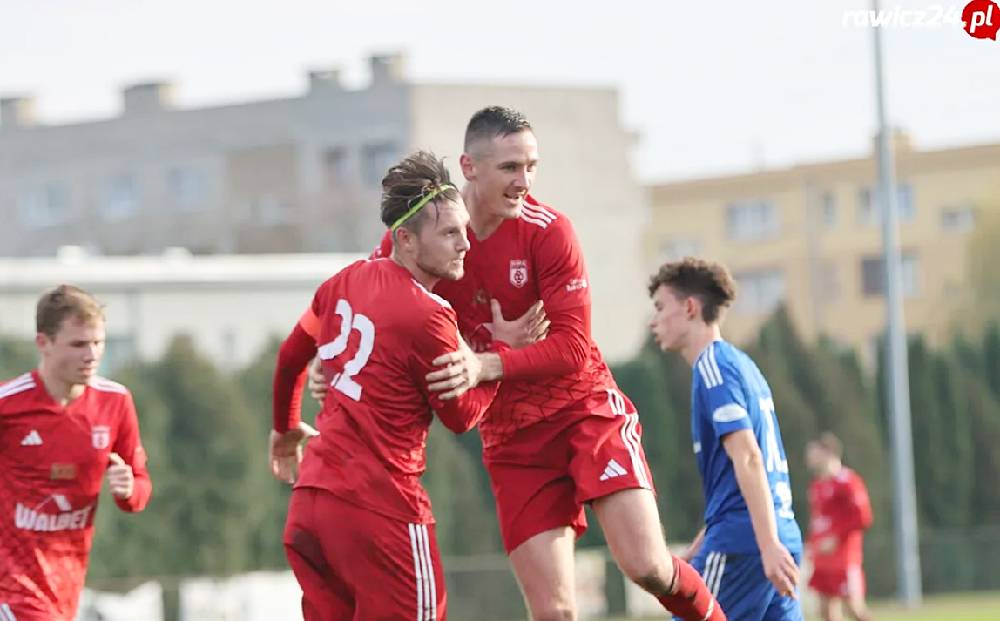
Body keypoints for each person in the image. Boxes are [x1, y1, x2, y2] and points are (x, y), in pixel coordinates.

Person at [322, 106, 724, 621]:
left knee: (646, 566)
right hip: (511, 438)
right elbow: (366, 307)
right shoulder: (419, 237)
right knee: (554, 611)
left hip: (584, 412)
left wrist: (486, 363)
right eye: (510, 167)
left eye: (531, 166)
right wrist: (332, 365)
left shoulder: (549, 231)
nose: (524, 181)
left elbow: (573, 347)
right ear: (469, 168)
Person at [271, 151, 510, 621]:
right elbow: (460, 416)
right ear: (405, 239)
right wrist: (496, 361)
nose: (465, 244)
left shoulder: (343, 281)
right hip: (381, 507)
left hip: (311, 505)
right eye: (449, 233)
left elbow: (290, 358)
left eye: (464, 230)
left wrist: (284, 429)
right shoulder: (429, 314)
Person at [647, 257, 803, 621]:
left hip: (745, 544)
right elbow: (739, 480)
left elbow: (747, 457)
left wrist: (765, 545)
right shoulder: (743, 366)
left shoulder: (712, 366)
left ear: (690, 307)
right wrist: (703, 544)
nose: (654, 321)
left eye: (660, 307)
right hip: (779, 533)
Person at [0, 284, 152, 621]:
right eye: (78, 344)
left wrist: (128, 489)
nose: (92, 355)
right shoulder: (8, 404)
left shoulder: (115, 402)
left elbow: (140, 489)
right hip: (12, 588)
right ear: (44, 343)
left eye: (98, 343)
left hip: (66, 585)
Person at [805, 433, 874, 621]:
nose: (809, 456)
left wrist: (836, 538)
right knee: (825, 611)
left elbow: (863, 517)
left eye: (814, 452)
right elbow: (818, 521)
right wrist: (811, 545)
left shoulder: (848, 481)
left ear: (828, 452)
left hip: (844, 558)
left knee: (854, 609)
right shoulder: (817, 485)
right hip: (822, 559)